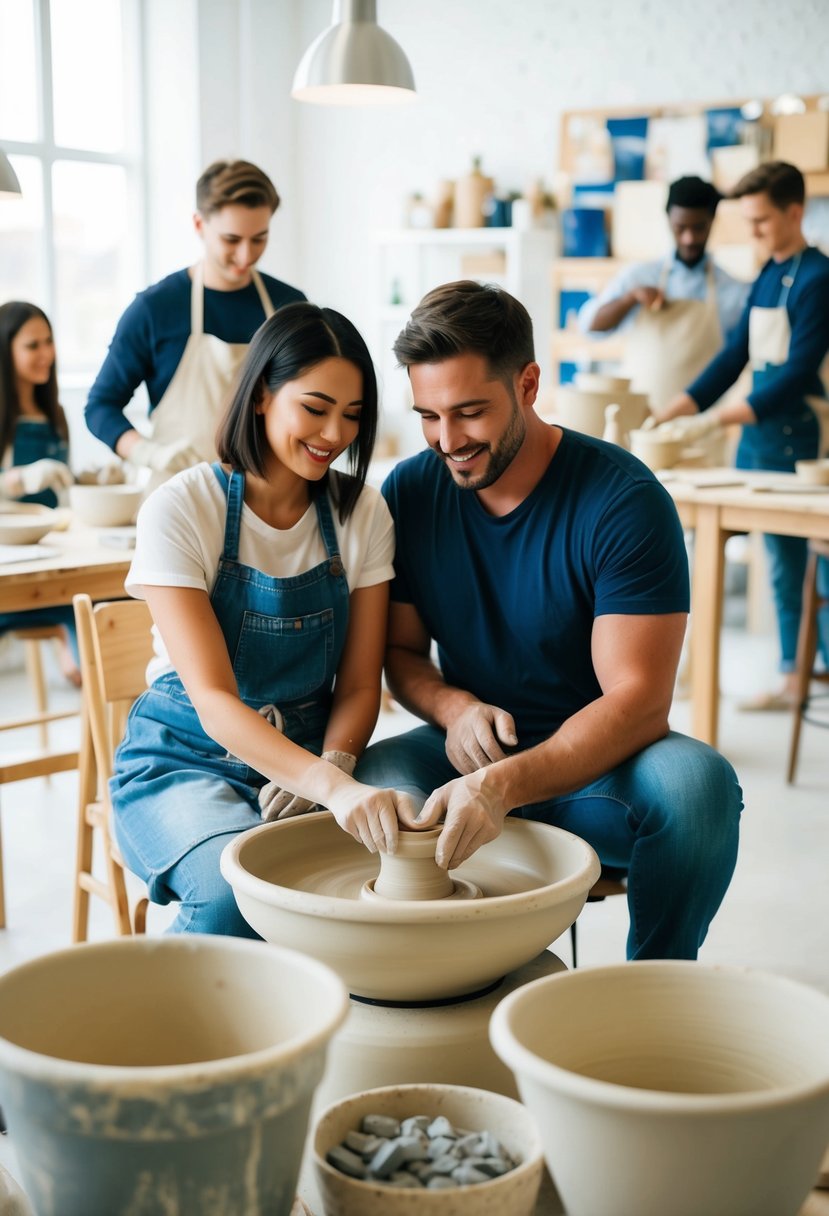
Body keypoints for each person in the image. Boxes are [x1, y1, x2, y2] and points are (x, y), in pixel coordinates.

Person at [355, 280, 743, 961]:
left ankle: (653, 989)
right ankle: (452, 982)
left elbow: (639, 703)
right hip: (466, 753)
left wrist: (499, 786)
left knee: (698, 787)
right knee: (378, 773)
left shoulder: (622, 499)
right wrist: (454, 708)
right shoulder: (412, 492)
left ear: (527, 384)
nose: (447, 441)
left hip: (599, 770)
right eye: (428, 416)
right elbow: (403, 655)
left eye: (469, 412)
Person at [109, 302, 416, 937]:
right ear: (260, 396)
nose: (335, 434)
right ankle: (174, 1033)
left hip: (311, 753)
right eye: (316, 407)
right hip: (185, 756)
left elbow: (361, 686)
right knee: (233, 895)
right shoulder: (181, 508)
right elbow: (216, 699)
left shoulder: (363, 515)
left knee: (382, 893)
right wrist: (328, 786)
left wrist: (334, 763)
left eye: (352, 416)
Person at [657, 162, 829, 711]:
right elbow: (735, 357)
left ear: (794, 213)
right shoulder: (765, 273)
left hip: (796, 433)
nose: (752, 232)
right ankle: (793, 673)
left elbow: (798, 371)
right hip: (757, 436)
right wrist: (678, 408)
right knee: (776, 559)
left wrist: (717, 420)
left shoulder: (818, 279)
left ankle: (808, 671)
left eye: (760, 221)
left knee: (803, 560)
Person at [84, 159, 306, 490]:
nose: (246, 255)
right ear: (199, 225)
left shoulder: (289, 306)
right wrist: (146, 452)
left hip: (269, 496)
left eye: (259, 238)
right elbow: (100, 406)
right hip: (178, 495)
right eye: (231, 240)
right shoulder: (154, 309)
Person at [578, 176, 749, 411]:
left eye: (698, 228)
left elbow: (737, 361)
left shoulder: (734, 291)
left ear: (712, 221)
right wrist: (630, 299)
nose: (689, 238)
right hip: (638, 423)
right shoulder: (639, 276)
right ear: (668, 219)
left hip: (701, 430)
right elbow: (589, 326)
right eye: (680, 228)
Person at [0, 300, 79, 683]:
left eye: (49, 342)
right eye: (33, 346)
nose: (46, 354)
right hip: (11, 567)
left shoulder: (55, 414)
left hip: (54, 556)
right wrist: (17, 480)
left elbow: (65, 492)